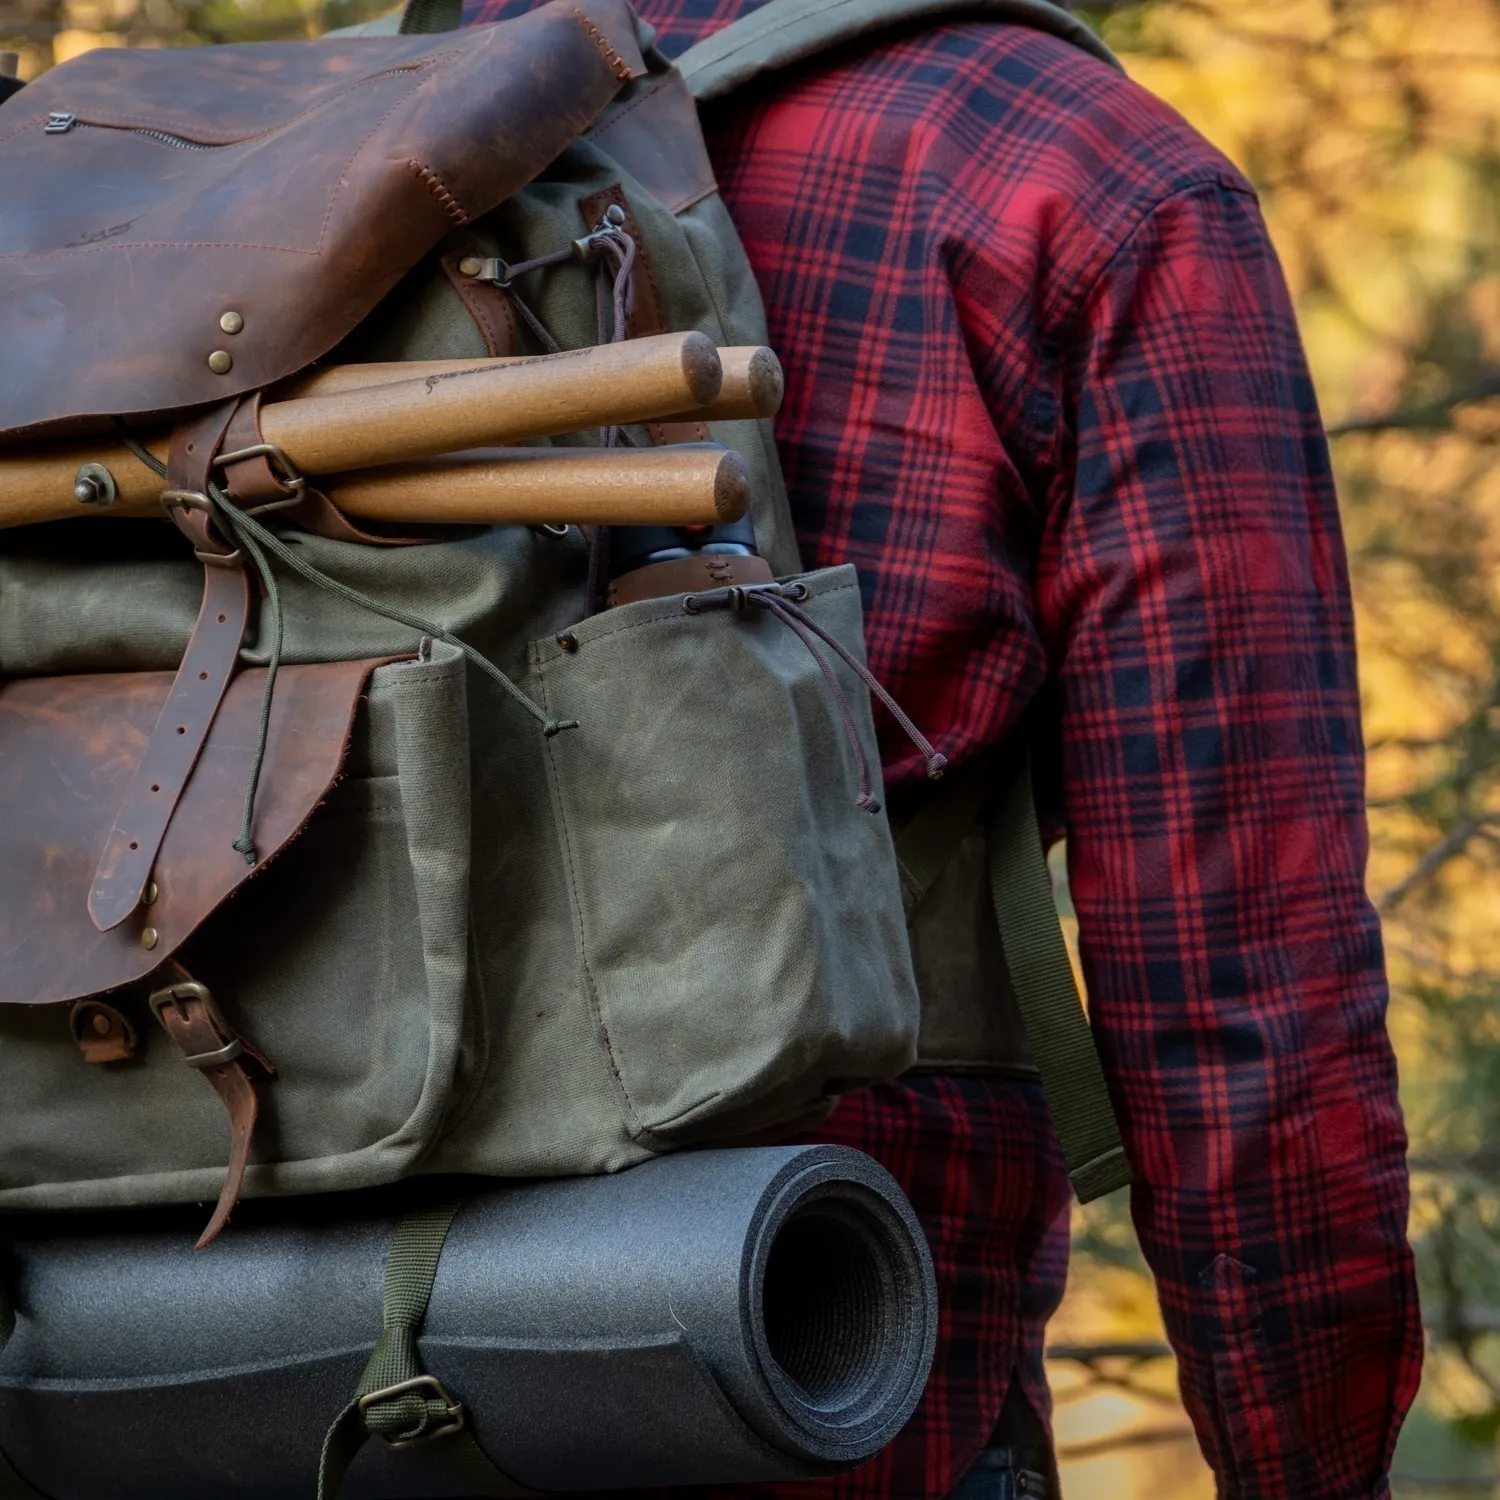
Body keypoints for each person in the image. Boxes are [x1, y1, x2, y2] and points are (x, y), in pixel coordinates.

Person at [463, 0, 1426, 1492]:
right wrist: (1314, 1462)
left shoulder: (360, 140)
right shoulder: (1072, 172)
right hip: (816, 1352)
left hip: (223, 1354)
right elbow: (1239, 989)